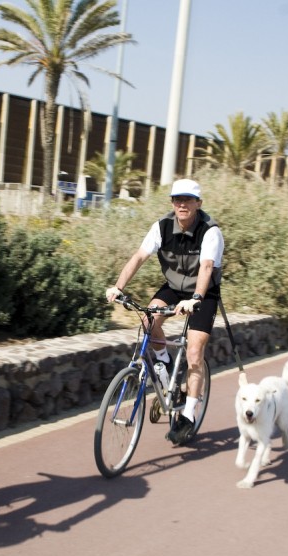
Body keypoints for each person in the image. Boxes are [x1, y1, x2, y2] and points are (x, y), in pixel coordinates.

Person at [105, 178, 224, 445]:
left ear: (198, 203)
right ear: (172, 202)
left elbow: (206, 268)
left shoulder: (210, 231)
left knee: (194, 352)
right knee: (148, 318)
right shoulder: (161, 227)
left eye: (188, 200)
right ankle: (165, 364)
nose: (182, 204)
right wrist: (118, 287)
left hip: (203, 292)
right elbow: (138, 257)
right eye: (177, 199)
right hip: (173, 286)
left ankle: (189, 417)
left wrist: (195, 298)